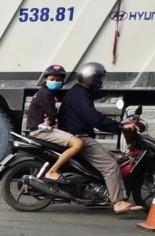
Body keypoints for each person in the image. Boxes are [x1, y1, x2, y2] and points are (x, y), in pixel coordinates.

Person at [57, 61, 143, 214]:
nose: (100, 82)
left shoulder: (79, 92)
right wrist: (118, 126)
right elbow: (93, 118)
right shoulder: (80, 95)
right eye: (98, 79)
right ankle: (118, 202)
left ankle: (100, 192)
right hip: (80, 137)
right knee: (110, 165)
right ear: (90, 78)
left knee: (115, 157)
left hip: (77, 135)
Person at [26, 65, 82, 181]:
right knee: (77, 144)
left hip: (40, 129)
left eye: (58, 80)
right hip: (40, 131)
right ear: (44, 80)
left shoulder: (43, 92)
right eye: (52, 80)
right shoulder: (47, 94)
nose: (55, 82)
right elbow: (52, 114)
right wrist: (51, 117)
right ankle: (53, 171)